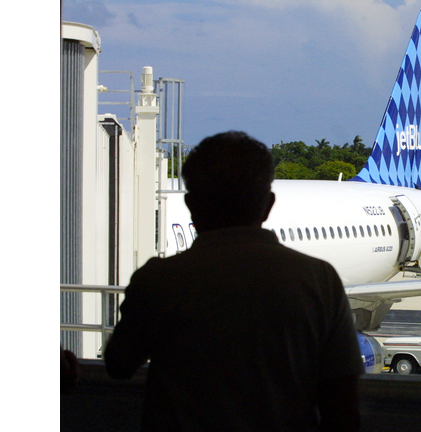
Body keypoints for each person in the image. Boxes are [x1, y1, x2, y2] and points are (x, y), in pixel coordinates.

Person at [103, 131, 364, 431]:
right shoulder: (319, 280)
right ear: (268, 204)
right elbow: (342, 408)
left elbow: (118, 365)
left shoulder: (157, 280)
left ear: (191, 205)